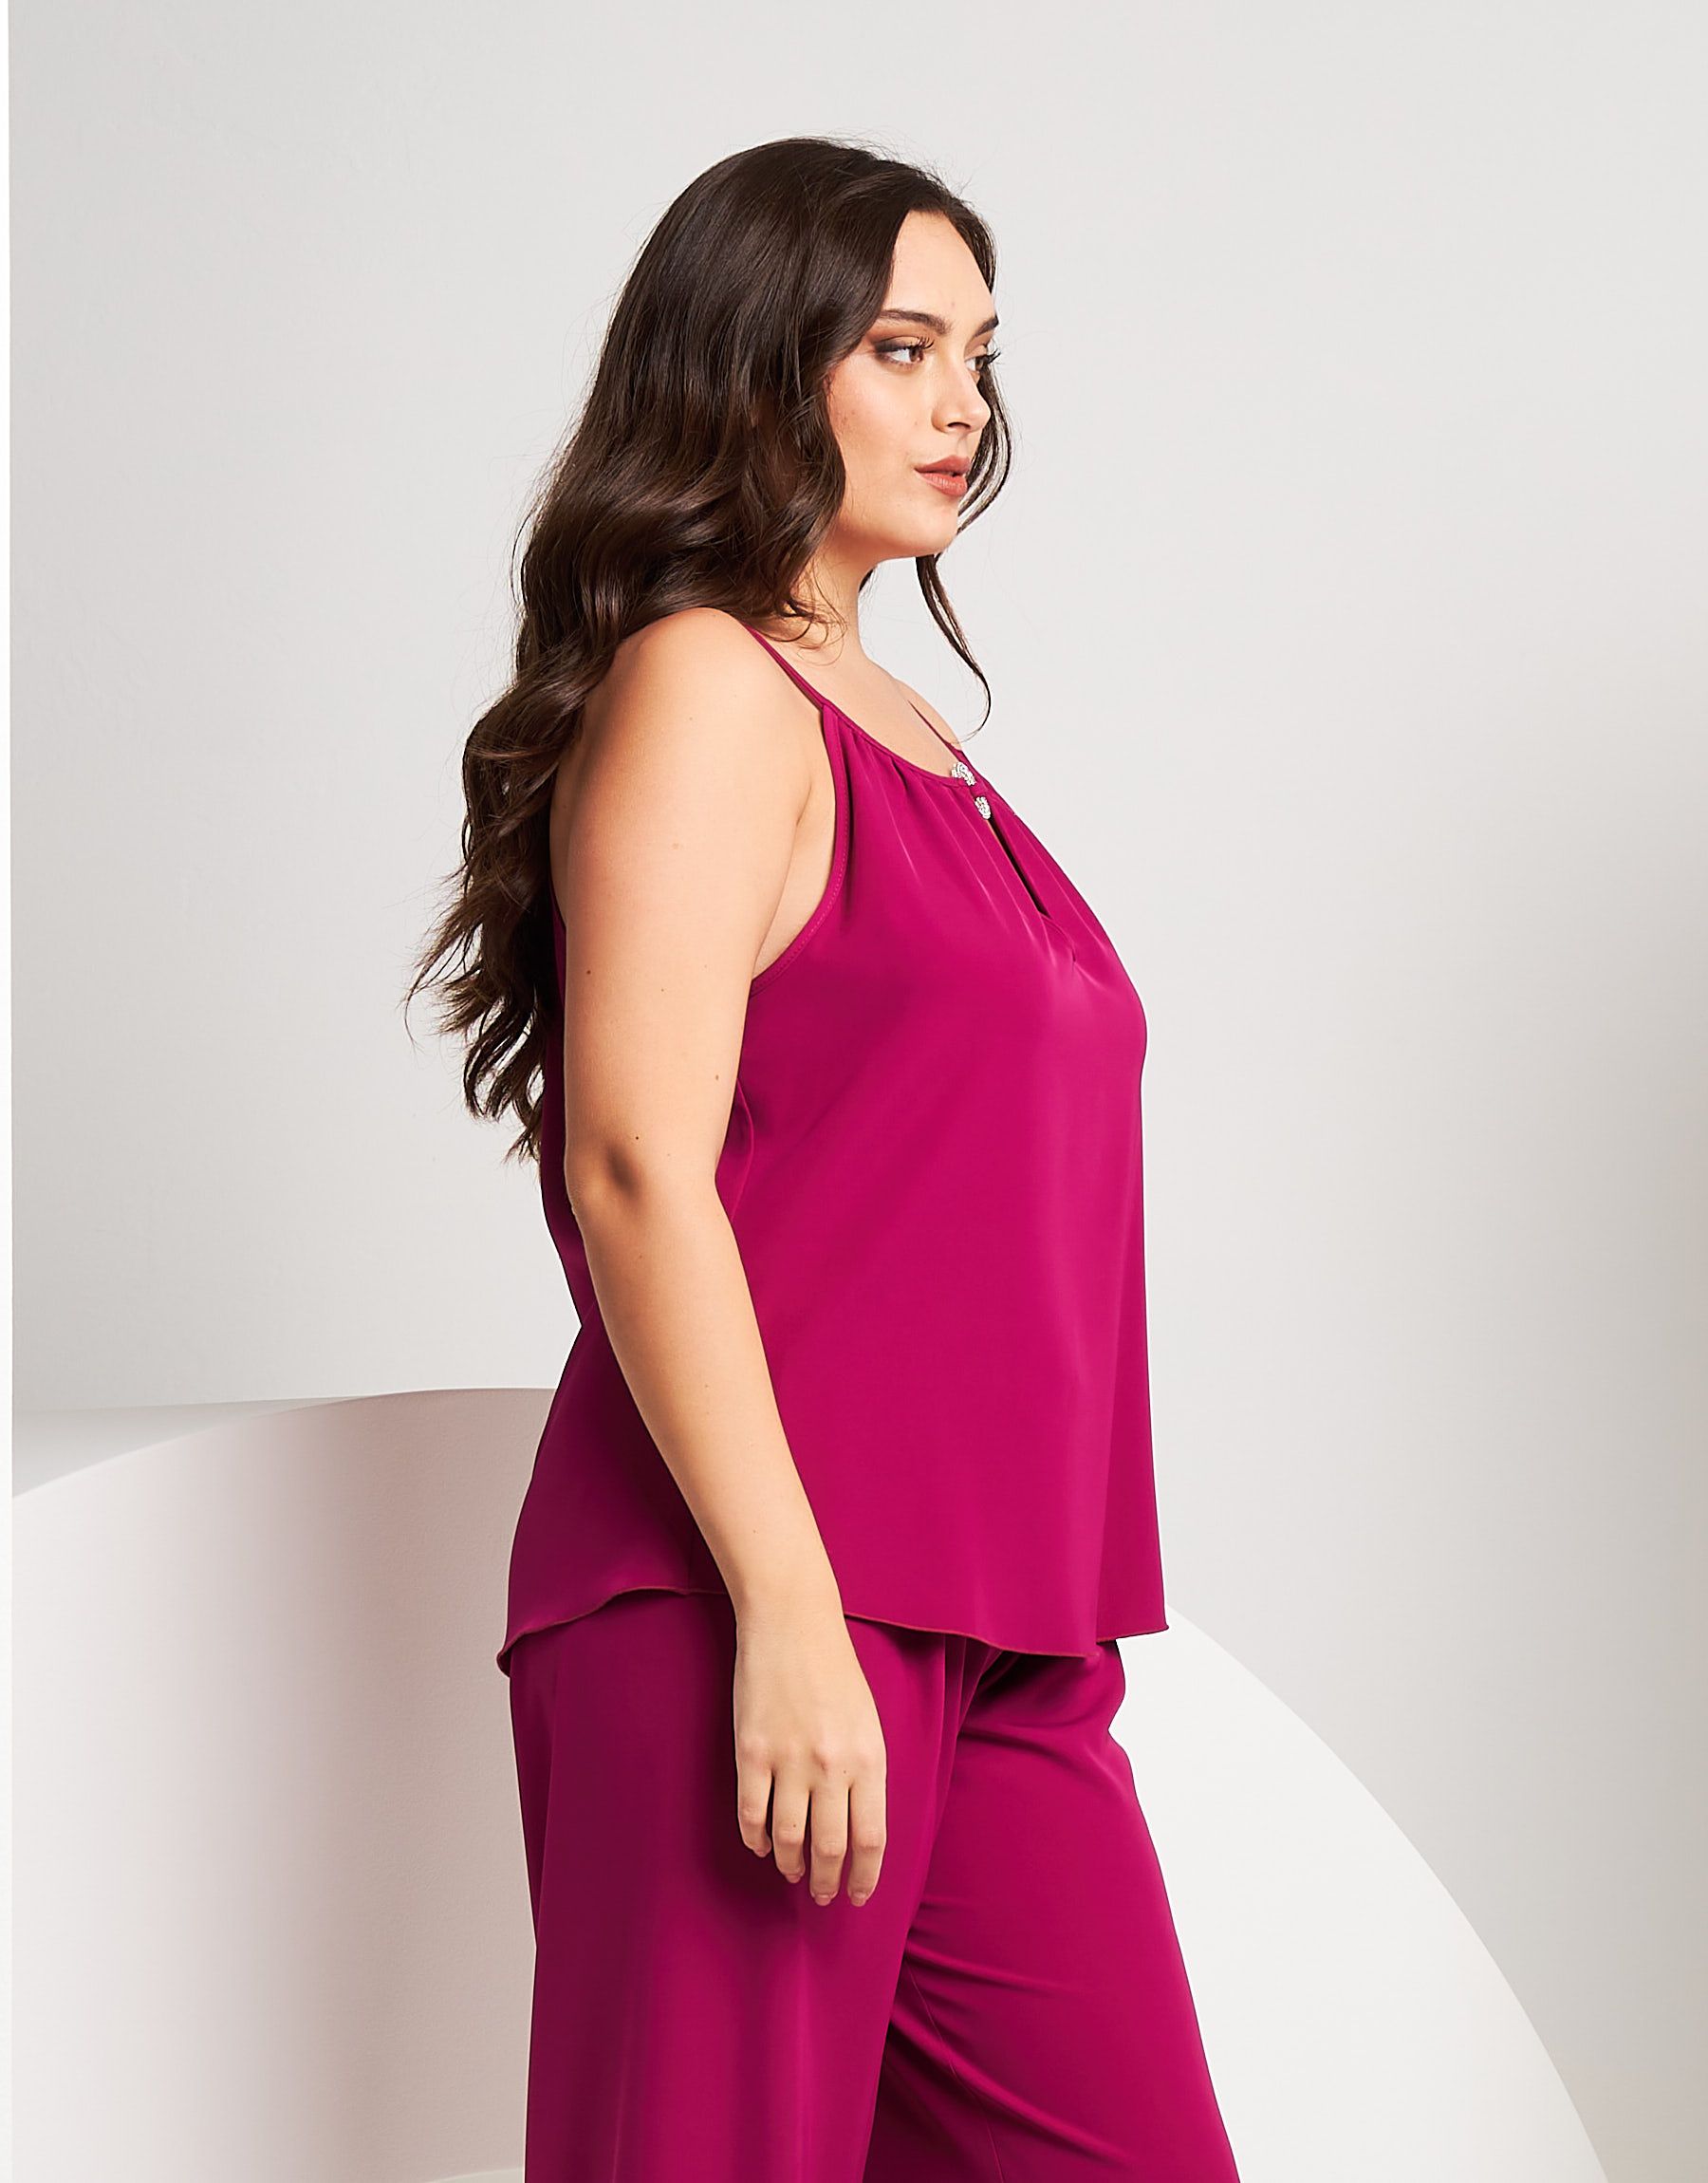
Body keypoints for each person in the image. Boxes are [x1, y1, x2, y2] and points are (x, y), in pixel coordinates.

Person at [410, 135, 1242, 2182]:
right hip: (751, 1589)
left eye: (979, 353)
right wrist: (783, 1607)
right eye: (900, 347)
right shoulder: (710, 684)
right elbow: (634, 1161)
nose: (964, 404)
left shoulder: (915, 732)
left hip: (1002, 1628)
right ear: (756, 362)